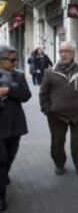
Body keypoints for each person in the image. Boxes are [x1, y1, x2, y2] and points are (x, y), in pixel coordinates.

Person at [39, 42, 78, 182]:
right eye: (61, 51)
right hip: (56, 115)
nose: (63, 54)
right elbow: (43, 94)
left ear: (73, 53)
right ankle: (59, 163)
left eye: (67, 51)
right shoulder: (50, 72)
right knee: (57, 142)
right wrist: (47, 110)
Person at [0, 45, 31, 212]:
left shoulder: (18, 76)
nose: (15, 62)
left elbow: (26, 95)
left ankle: (4, 175)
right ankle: (1, 195)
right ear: (1, 60)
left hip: (14, 124)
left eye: (16, 59)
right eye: (11, 60)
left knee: (10, 156)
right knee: (1, 160)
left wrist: (8, 90)